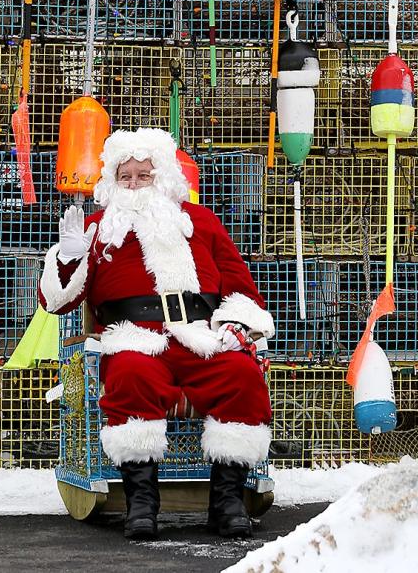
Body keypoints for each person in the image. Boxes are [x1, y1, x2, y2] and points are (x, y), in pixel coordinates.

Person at [38, 128, 274, 541]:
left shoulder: (201, 221)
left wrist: (237, 325)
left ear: (162, 177)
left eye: (142, 176)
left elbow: (240, 286)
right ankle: (142, 504)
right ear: (112, 181)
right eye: (124, 176)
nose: (133, 184)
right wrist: (68, 257)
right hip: (134, 337)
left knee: (241, 376)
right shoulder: (96, 229)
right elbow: (56, 302)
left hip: (201, 336)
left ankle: (228, 502)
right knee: (129, 374)